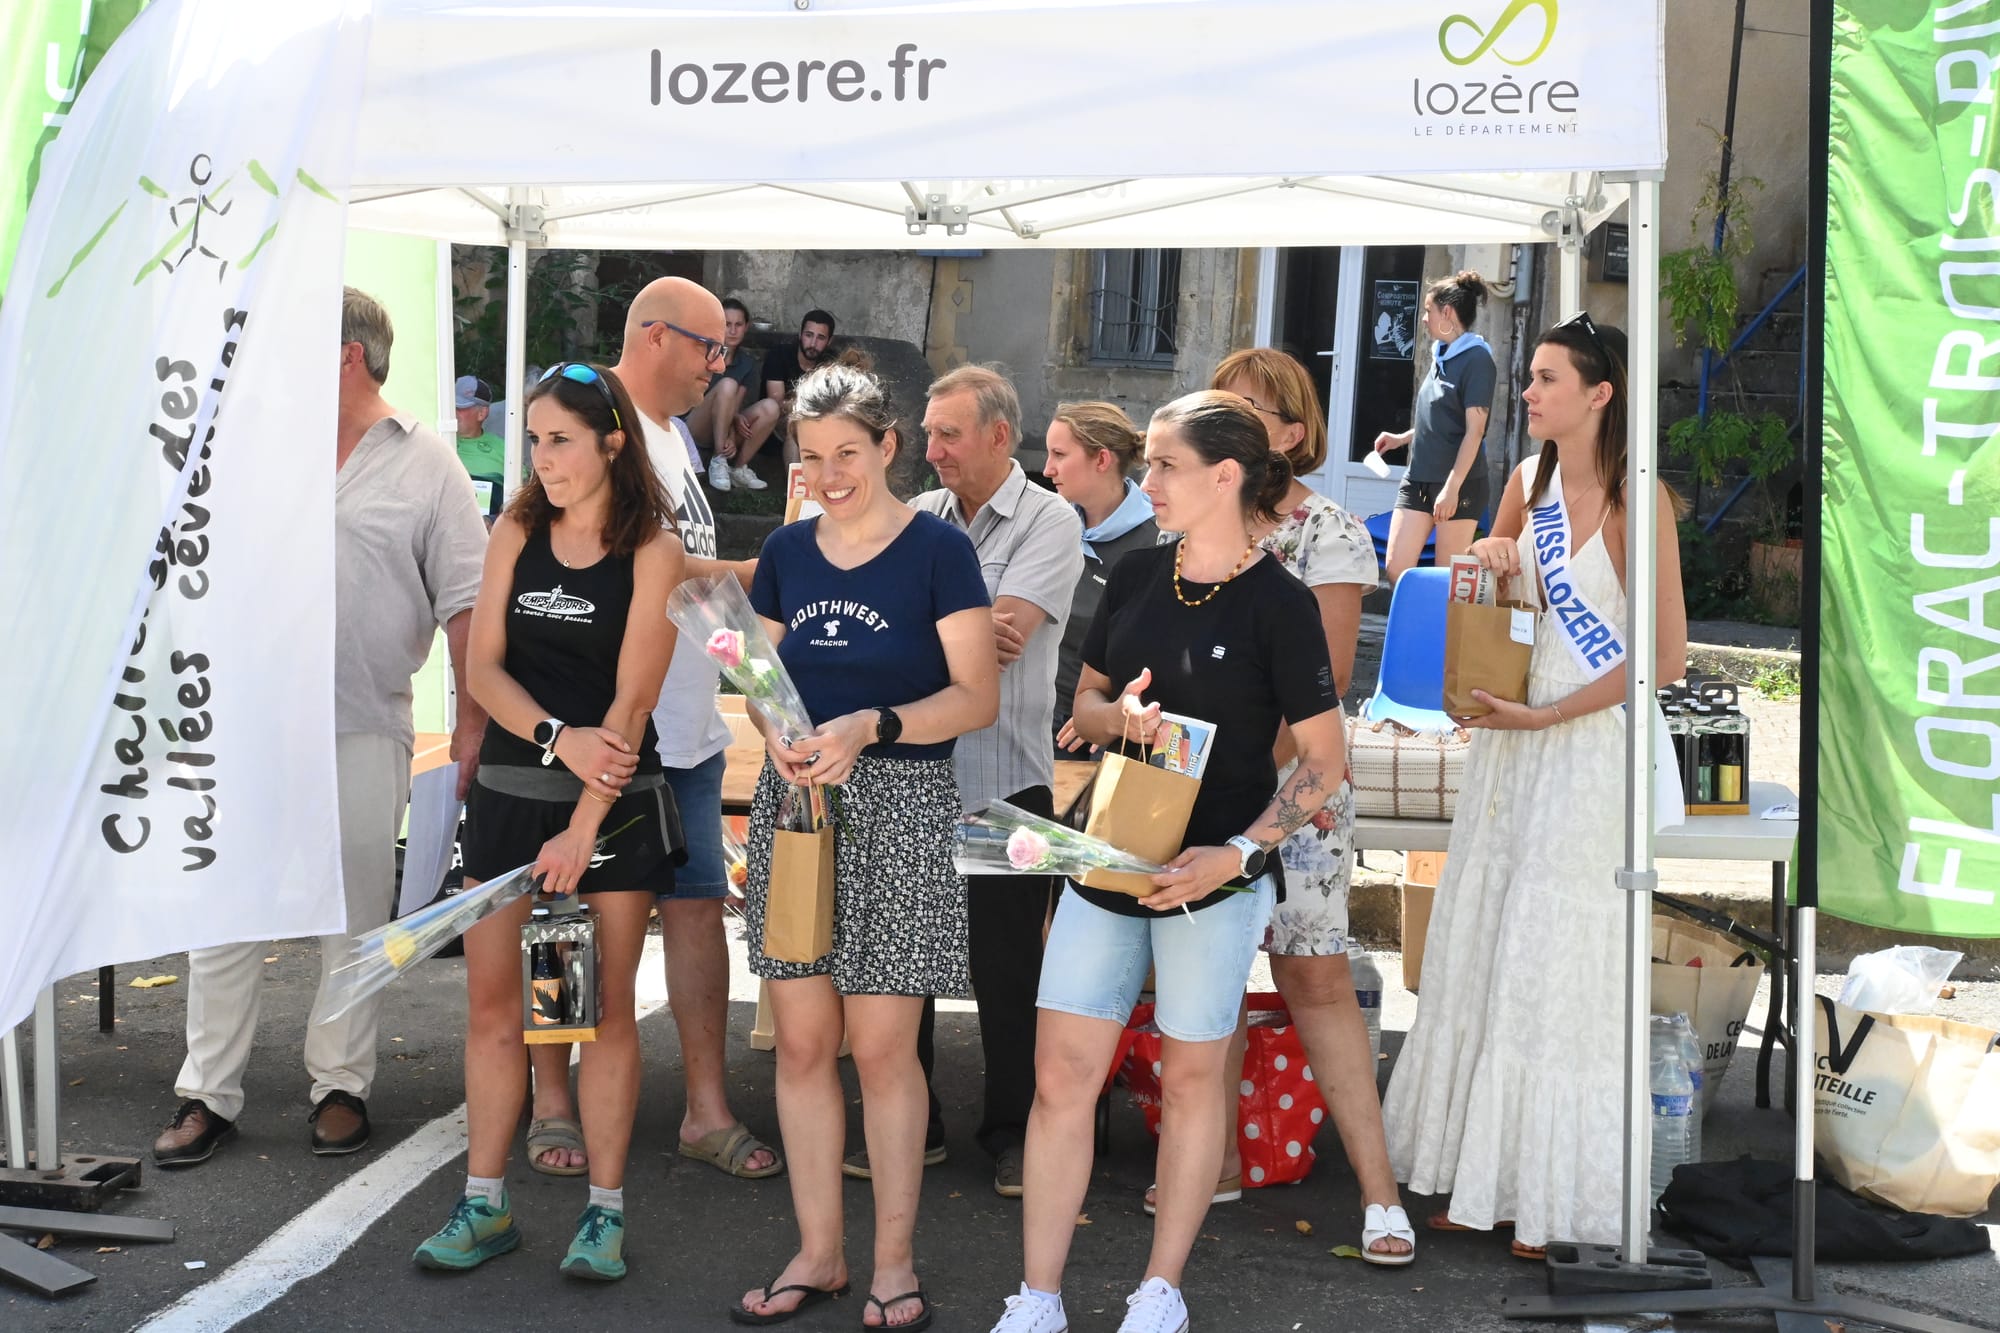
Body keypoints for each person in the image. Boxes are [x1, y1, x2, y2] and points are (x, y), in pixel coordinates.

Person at [989, 392, 1347, 1333]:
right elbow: (1087, 708)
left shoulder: (1283, 603)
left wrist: (1232, 854)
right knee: (1063, 1076)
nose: (1145, 481)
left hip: (1210, 882)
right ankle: (1038, 1298)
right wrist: (1122, 718)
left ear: (1225, 477)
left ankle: (1161, 1292)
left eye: (1162, 465)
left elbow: (1323, 761)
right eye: (1146, 464)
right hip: (1106, 859)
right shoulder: (1138, 574)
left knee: (1193, 1084)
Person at [153, 288, 488, 1169]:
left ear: (347, 356)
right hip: (248, 720)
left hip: (361, 716)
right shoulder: (255, 447)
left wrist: (471, 729)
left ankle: (341, 1084)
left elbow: (466, 606)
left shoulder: (430, 464)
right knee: (227, 908)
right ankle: (205, 1091)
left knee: (353, 908)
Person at [1382, 315, 1689, 1258]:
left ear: (1599, 393)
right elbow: (1490, 600)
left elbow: (1664, 658)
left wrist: (1549, 717)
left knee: (1557, 961)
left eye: (1547, 378)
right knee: (1492, 940)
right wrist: (1492, 559)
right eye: (1530, 378)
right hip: (1512, 745)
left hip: (1586, 744)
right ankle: (1486, 1172)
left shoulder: (1642, 503)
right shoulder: (1523, 482)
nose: (1528, 392)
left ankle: (1548, 1193)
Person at [730, 361, 998, 1328]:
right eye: (810, 458)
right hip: (798, 806)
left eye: (847, 452)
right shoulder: (787, 553)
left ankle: (892, 1261)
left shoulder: (938, 551)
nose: (829, 472)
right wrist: (781, 735)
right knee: (802, 1043)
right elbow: (759, 677)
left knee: (883, 1048)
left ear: (888, 447)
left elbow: (975, 695)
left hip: (901, 804)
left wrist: (871, 725)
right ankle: (819, 1251)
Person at [411, 360, 684, 1282]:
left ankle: (604, 1215)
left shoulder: (652, 546)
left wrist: (583, 823)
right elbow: (482, 668)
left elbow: (635, 703)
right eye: (534, 439)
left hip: (607, 817)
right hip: (507, 804)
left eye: (560, 438)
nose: (543, 457)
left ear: (612, 440)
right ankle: (484, 1204)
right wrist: (553, 737)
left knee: (597, 1012)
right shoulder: (517, 528)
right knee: (497, 1012)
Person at [1163, 349, 1417, 1263]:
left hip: (1296, 796)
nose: (1227, 414)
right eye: (1219, 402)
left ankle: (1379, 1192)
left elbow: (1330, 678)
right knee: (1208, 974)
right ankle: (1215, 1157)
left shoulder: (1332, 532)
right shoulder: (1194, 525)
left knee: (1314, 978)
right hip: (1200, 787)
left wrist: (1236, 780)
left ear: (1291, 434)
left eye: (1249, 406)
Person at [523, 277, 777, 1184]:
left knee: (698, 908)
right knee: (563, 920)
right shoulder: (588, 421)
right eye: (713, 349)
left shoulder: (673, 436)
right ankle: (553, 1101)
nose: (721, 368)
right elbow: (625, 560)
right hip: (601, 734)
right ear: (658, 336)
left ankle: (704, 1108)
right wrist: (765, 566)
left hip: (685, 733)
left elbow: (692, 598)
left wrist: (763, 683)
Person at [884, 366, 1081, 1200]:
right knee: (906, 963)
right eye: (927, 434)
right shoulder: (922, 517)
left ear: (1001, 437)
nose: (929, 452)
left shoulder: (1052, 519)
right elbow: (954, 634)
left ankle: (1011, 1132)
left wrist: (905, 626)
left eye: (947, 435)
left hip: (1007, 781)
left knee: (1008, 971)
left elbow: (1003, 637)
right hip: (916, 775)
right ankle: (914, 1122)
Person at [1041, 401, 1156, 748]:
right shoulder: (1045, 522)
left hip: (1085, 736)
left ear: (1102, 460)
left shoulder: (1155, 541)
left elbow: (1152, 651)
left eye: (1059, 454)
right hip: (1027, 715)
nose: (1047, 469)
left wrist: (1098, 717)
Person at [1372, 271, 1497, 584]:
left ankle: (1439, 634)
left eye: (1428, 311)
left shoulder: (1477, 360)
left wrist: (1451, 490)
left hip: (1458, 485)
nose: (1424, 320)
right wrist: (1404, 438)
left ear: (1447, 313)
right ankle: (1412, 630)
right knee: (1397, 570)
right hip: (1418, 479)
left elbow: (1474, 431)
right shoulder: (1440, 354)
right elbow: (1444, 418)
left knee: (1446, 582)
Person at [689, 297, 776, 493]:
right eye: (727, 324)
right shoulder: (702, 354)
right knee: (728, 384)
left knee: (771, 407)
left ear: (746, 327)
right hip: (695, 426)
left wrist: (730, 431)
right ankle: (720, 458)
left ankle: (737, 470)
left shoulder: (746, 363)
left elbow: (735, 405)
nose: (733, 330)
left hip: (725, 425)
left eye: (738, 324)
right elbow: (692, 398)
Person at [759, 308, 837, 463]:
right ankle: (794, 485)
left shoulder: (831, 363)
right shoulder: (780, 355)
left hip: (818, 425)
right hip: (777, 427)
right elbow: (778, 404)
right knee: (796, 423)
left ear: (829, 341)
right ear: (800, 335)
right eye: (809, 335)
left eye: (820, 338)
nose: (813, 343)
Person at [455, 374, 506, 520]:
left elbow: (520, 495)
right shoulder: (437, 443)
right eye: (450, 405)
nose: (453, 411)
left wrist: (495, 520)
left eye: (460, 407)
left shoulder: (504, 449)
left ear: (482, 413)